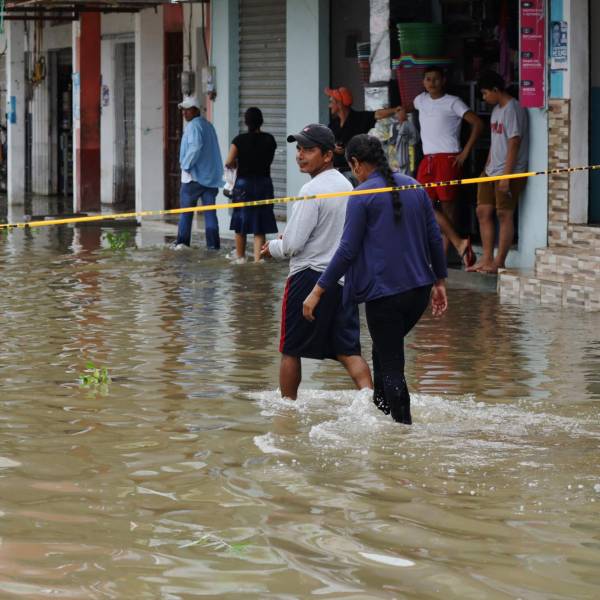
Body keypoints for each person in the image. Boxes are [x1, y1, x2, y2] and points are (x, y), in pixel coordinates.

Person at [302, 134, 448, 424]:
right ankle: (383, 416)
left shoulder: (362, 196)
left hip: (385, 296)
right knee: (383, 352)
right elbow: (434, 237)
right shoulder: (414, 185)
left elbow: (347, 250)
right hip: (418, 292)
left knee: (391, 364)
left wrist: (317, 290)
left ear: (356, 163)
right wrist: (440, 282)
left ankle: (403, 434)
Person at [260, 123, 373, 400]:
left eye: (308, 150)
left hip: (307, 278)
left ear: (327, 155)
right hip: (342, 279)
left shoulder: (310, 189)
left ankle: (287, 411)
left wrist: (271, 247)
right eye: (299, 149)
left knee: (290, 349)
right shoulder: (346, 185)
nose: (300, 155)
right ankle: (370, 403)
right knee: (349, 352)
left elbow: (292, 245)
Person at [412, 65, 483, 268]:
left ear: (443, 80)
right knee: (421, 203)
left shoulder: (453, 102)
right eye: (428, 79)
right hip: (427, 159)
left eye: (435, 79)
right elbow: (407, 107)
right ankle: (458, 243)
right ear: (423, 82)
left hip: (448, 157)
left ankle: (442, 258)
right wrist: (395, 112)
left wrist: (465, 153)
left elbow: (478, 123)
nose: (431, 83)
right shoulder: (420, 100)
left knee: (448, 207)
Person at [467, 71, 529, 274]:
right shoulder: (496, 111)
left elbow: (514, 142)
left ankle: (499, 261)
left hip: (509, 171)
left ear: (496, 89)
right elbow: (495, 143)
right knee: (482, 211)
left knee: (504, 214)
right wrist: (485, 169)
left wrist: (506, 176)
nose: (484, 98)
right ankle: (486, 258)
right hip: (490, 171)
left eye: (485, 93)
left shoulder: (513, 108)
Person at [225, 107, 278, 263]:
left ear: (246, 122)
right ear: (261, 121)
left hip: (244, 185)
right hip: (264, 184)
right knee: (259, 225)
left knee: (240, 223)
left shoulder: (239, 140)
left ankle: (240, 258)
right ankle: (258, 261)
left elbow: (228, 161)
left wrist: (236, 164)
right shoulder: (269, 140)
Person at [172, 96, 224, 250]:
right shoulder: (208, 126)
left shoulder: (193, 126)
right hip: (210, 179)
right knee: (210, 214)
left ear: (195, 110)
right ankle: (213, 246)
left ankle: (182, 244)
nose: (184, 113)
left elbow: (196, 146)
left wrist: (185, 165)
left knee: (186, 214)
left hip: (192, 179)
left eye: (187, 110)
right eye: (183, 110)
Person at [326, 86, 401, 176]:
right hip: (337, 172)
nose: (329, 106)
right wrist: (333, 148)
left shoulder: (359, 118)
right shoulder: (333, 125)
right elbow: (325, 143)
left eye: (331, 102)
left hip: (356, 172)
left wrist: (395, 110)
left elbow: (377, 114)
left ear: (339, 103)